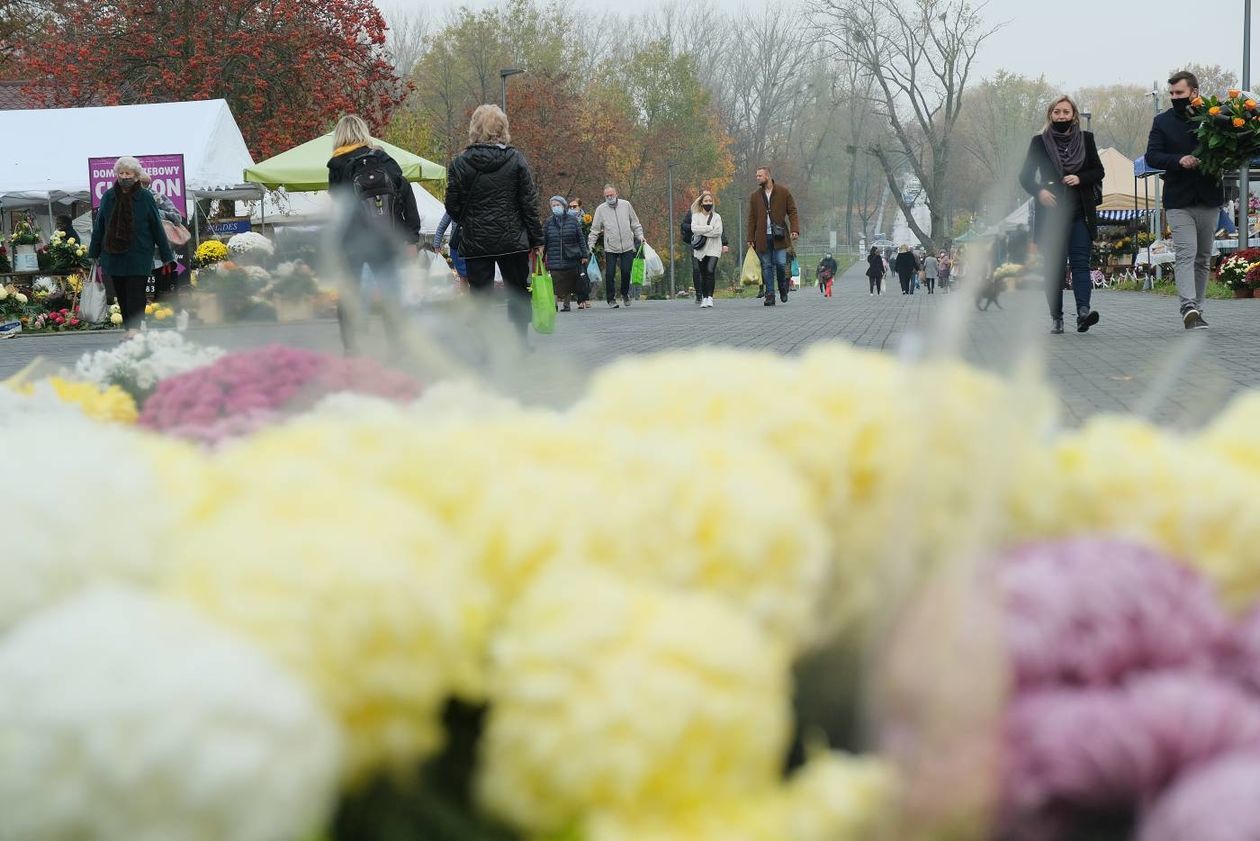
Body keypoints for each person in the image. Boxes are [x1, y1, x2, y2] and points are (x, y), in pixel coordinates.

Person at [327, 114, 423, 354]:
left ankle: (352, 348)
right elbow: (406, 193)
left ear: (339, 136)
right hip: (384, 237)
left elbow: (339, 208)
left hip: (353, 242)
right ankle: (397, 343)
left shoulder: (336, 165)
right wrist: (411, 236)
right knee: (390, 290)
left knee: (349, 295)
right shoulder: (382, 158)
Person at [445, 104, 543, 339]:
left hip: (477, 241)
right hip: (512, 239)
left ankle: (484, 346)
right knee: (518, 292)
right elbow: (528, 202)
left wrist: (469, 221)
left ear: (474, 128)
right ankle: (520, 341)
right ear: (502, 129)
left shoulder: (460, 163)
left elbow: (452, 206)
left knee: (480, 295)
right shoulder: (515, 159)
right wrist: (537, 238)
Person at [1020, 94, 1105, 334]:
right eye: (1057, 112)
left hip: (1080, 212)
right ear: (1050, 115)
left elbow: (1098, 171)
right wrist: (1040, 193)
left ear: (1074, 115)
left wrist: (1080, 177)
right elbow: (1025, 176)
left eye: (1066, 112)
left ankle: (1083, 313)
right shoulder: (1039, 142)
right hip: (1051, 216)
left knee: (1080, 264)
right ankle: (1056, 317)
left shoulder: (1086, 140)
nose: (1061, 116)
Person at [1145, 70, 1223, 330]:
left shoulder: (1215, 116)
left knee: (1203, 257)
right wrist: (1178, 160)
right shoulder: (1162, 122)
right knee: (1186, 254)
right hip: (1178, 200)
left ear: (1194, 92)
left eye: (1180, 93)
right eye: (1172, 93)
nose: (1175, 97)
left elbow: (1226, 148)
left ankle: (1198, 308)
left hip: (1209, 197)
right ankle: (1187, 306)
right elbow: (1153, 156)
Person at [87, 156, 175, 336]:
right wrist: (93, 251)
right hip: (114, 254)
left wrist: (166, 255)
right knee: (122, 295)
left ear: (136, 176)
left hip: (139, 253)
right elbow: (100, 226)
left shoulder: (145, 197)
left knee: (136, 292)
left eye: (128, 173)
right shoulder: (108, 196)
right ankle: (130, 329)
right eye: (121, 173)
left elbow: (156, 226)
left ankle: (134, 329)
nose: (124, 176)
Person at [745, 166, 800, 306]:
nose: (757, 178)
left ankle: (782, 288)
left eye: (759, 176)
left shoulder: (783, 192)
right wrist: (750, 238)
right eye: (756, 176)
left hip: (780, 236)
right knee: (767, 266)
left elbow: (792, 211)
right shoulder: (755, 196)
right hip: (763, 237)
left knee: (781, 264)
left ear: (767, 176)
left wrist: (795, 229)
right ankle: (770, 294)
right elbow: (751, 218)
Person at [588, 183, 644, 308]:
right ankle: (611, 299)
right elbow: (595, 229)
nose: (609, 197)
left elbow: (635, 223)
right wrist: (591, 244)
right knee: (610, 274)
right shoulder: (601, 209)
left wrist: (640, 236)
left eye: (611, 195)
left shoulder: (626, 205)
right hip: (611, 247)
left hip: (627, 245)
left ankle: (625, 294)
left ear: (616, 194)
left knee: (626, 271)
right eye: (607, 196)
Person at [542, 195, 589, 312]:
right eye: (553, 206)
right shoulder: (548, 222)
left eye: (558, 205)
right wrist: (542, 256)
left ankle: (566, 305)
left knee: (568, 280)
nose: (555, 207)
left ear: (563, 206)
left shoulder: (572, 220)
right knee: (555, 281)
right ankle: (554, 304)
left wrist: (584, 254)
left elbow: (580, 239)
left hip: (570, 256)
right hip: (554, 256)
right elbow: (544, 240)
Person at [689, 190, 723, 308]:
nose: (708, 203)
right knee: (703, 273)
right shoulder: (696, 216)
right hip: (700, 249)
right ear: (701, 203)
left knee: (710, 270)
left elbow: (718, 232)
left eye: (710, 201)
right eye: (706, 201)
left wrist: (703, 230)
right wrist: (709, 228)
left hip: (714, 248)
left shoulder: (717, 217)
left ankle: (710, 297)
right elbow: (694, 229)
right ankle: (704, 297)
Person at [433, 212, 469, 287]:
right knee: (463, 276)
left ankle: (471, 296)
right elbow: (442, 226)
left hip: (472, 246)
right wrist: (436, 244)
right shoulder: (453, 205)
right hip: (458, 246)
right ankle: (467, 297)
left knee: (470, 277)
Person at [568, 198, 592, 309]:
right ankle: (581, 299)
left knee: (583, 274)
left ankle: (585, 298)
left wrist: (586, 252)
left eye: (574, 206)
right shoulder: (566, 219)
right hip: (571, 252)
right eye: (570, 207)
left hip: (583, 251)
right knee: (576, 275)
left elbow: (589, 235)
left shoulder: (586, 219)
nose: (572, 209)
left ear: (580, 207)